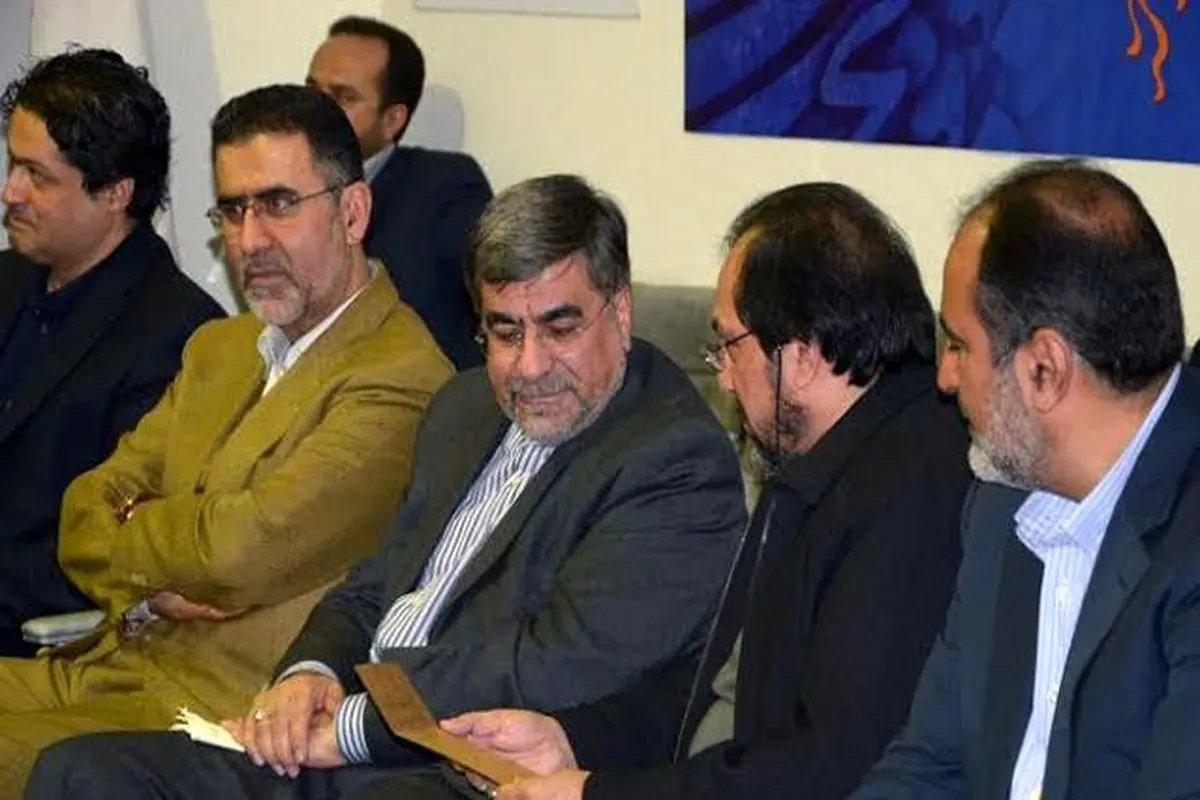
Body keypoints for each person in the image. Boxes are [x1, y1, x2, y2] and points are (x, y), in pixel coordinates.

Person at [27, 174, 748, 800]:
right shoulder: (464, 407)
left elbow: (543, 664)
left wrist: (350, 723)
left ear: (618, 311)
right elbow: (374, 585)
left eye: (559, 328)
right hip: (341, 737)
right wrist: (307, 674)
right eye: (504, 332)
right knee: (79, 774)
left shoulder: (674, 460)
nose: (529, 366)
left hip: (455, 768)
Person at [430, 183, 973, 800]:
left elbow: (828, 767)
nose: (726, 381)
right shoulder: (818, 463)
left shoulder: (910, 498)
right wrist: (572, 741)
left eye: (729, 347)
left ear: (799, 357)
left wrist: (595, 795)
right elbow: (718, 689)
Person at [0, 83, 453, 794]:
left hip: (216, 717)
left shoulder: (402, 377)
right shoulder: (222, 346)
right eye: (233, 210)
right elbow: (83, 511)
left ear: (353, 212)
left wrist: (141, 525)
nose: (248, 240)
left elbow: (238, 551)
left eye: (278, 204)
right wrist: (164, 578)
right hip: (106, 663)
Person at [847, 158, 1200, 799]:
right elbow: (929, 765)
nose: (944, 378)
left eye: (959, 346)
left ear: (1045, 369)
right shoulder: (997, 508)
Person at [0, 48, 224, 656]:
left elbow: (116, 552)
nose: (10, 191)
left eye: (37, 176)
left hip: (38, 644)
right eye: (13, 164)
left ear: (116, 193)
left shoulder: (181, 337)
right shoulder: (8, 278)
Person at [307, 15, 492, 369]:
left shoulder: (445, 187)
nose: (315, 111)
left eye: (343, 98)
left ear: (392, 120)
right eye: (312, 90)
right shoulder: (279, 190)